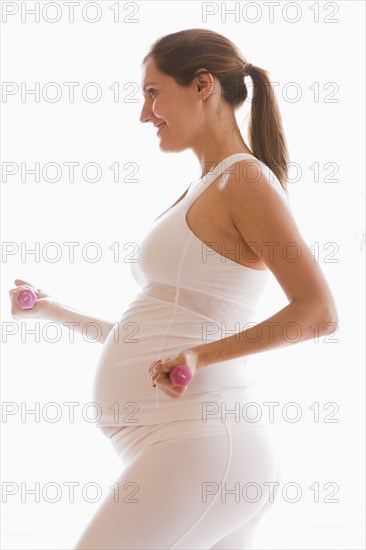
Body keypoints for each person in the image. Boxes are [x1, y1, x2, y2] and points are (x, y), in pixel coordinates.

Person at [9, 28, 338, 550]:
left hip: (203, 446)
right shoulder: (208, 184)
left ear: (203, 85)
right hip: (196, 451)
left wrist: (201, 357)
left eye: (153, 92)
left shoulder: (243, 180)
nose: (145, 114)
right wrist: (54, 310)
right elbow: (156, 333)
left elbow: (318, 312)